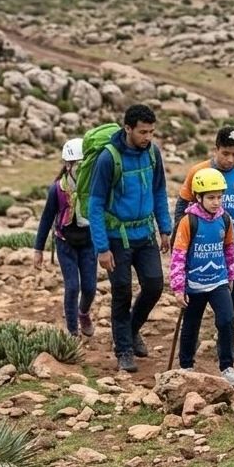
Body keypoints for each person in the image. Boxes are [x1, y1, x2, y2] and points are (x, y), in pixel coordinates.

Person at [87, 104, 173, 373]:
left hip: (145, 233)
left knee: (154, 285)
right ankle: (123, 349)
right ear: (128, 129)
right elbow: (95, 203)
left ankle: (132, 329)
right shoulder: (108, 159)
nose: (148, 137)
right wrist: (102, 248)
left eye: (151, 132)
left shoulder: (152, 154)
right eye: (142, 132)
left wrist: (165, 228)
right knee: (121, 291)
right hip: (116, 238)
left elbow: (159, 191)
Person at [175, 126, 234, 358]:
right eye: (226, 153)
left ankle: (226, 345)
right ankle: (190, 346)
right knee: (195, 300)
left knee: (231, 295)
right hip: (199, 245)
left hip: (232, 244)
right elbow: (182, 205)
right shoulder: (198, 172)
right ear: (216, 148)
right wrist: (180, 238)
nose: (230, 159)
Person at [170, 168, 234, 387]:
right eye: (211, 198)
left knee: (227, 319)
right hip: (194, 284)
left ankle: (227, 367)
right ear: (198, 197)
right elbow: (179, 255)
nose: (216, 202)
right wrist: (178, 287)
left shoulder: (225, 219)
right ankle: (186, 366)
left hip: (219, 280)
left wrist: (231, 274)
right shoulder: (188, 221)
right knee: (191, 324)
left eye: (219, 197)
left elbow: (230, 249)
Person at [33, 138, 97, 337]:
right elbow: (46, 219)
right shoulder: (57, 190)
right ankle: (72, 331)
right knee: (72, 287)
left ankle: (83, 313)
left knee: (90, 287)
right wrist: (38, 250)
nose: (81, 168)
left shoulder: (94, 187)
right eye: (77, 164)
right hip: (65, 243)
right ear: (68, 165)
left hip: (88, 242)